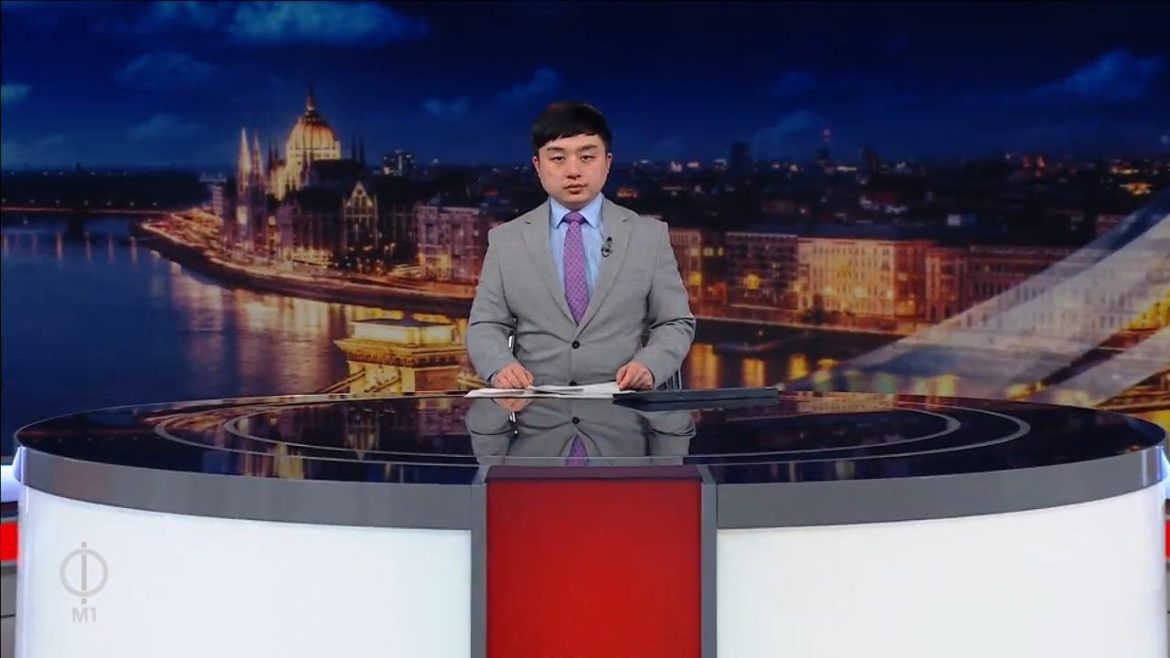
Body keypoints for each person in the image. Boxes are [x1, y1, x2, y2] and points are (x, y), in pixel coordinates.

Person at [466, 101, 695, 390]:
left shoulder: (649, 236)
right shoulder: (506, 240)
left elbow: (675, 322)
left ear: (607, 163)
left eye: (586, 157)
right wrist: (501, 367)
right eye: (558, 159)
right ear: (538, 166)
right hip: (536, 407)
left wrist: (649, 365)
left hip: (624, 406)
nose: (573, 171)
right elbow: (486, 325)